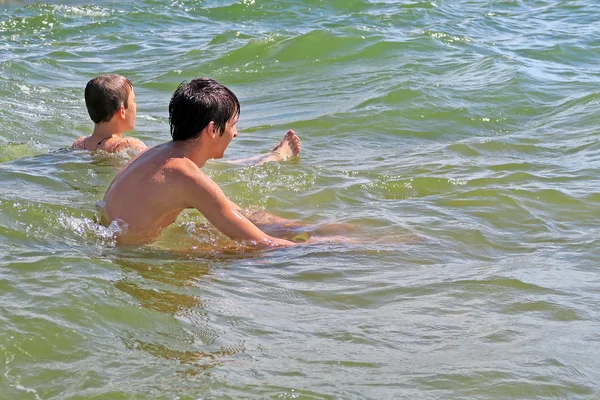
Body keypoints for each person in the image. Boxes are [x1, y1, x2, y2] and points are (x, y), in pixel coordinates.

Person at [101, 78, 304, 247]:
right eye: (232, 125)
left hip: (110, 244)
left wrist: (301, 229)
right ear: (212, 129)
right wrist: (320, 249)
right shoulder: (186, 176)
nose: (235, 133)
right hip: (133, 257)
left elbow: (231, 210)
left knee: (218, 226)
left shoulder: (158, 154)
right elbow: (260, 243)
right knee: (235, 255)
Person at [72, 74, 147, 153]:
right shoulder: (131, 145)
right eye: (133, 100)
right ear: (121, 111)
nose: (135, 105)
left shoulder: (79, 144)